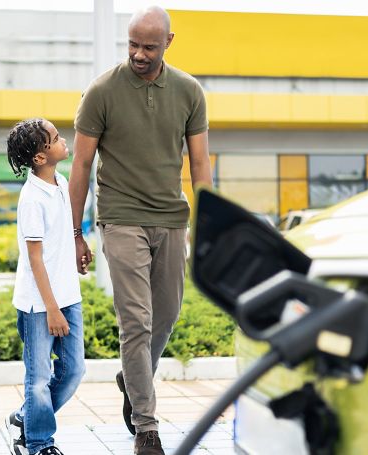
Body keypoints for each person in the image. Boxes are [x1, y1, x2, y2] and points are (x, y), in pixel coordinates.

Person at [68, 6, 213, 455]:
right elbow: (80, 165)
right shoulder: (102, 92)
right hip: (121, 217)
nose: (138, 54)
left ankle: (132, 377)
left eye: (149, 46)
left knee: (166, 314)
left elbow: (201, 163)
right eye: (132, 44)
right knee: (136, 321)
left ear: (169, 42)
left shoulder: (189, 91)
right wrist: (76, 232)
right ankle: (146, 429)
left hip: (171, 217)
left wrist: (210, 226)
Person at [4, 118, 89, 455]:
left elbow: (61, 237)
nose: (63, 140)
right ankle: (38, 442)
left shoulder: (60, 182)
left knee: (73, 371)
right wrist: (52, 308)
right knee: (38, 379)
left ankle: (27, 416)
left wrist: (79, 249)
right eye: (55, 138)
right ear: (40, 157)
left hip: (69, 296)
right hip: (38, 305)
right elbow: (35, 259)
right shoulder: (31, 200)